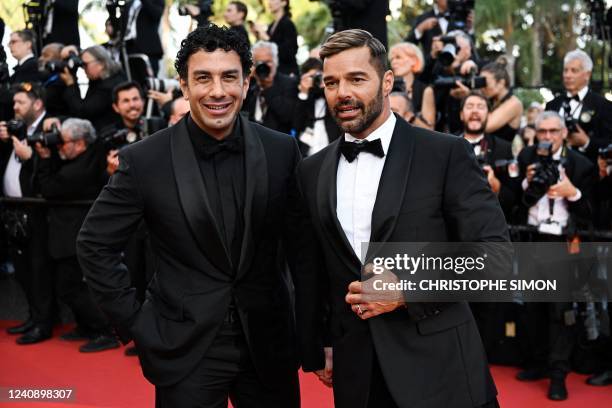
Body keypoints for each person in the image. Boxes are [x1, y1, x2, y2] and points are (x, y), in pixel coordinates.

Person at [77, 24, 304, 407]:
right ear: (183, 86)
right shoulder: (145, 159)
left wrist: (319, 331)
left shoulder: (281, 150)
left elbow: (303, 247)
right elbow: (94, 243)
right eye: (203, 78)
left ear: (246, 84)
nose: (217, 91)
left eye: (229, 77)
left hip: (269, 342)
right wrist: (135, 323)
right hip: (185, 347)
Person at [294, 29, 506, 408]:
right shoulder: (312, 170)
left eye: (356, 79)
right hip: (357, 375)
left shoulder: (445, 154)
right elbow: (314, 270)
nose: (342, 92)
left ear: (387, 81)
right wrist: (320, 343)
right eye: (331, 82)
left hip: (443, 373)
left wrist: (408, 290)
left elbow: (496, 259)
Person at [515, 111, 596, 401]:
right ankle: (537, 363)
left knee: (560, 312)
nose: (547, 137)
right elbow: (512, 203)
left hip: (563, 242)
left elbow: (592, 215)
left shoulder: (581, 164)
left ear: (563, 133)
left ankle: (558, 374)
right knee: (532, 308)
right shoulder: (525, 157)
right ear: (536, 133)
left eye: (553, 131)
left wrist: (572, 193)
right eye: (542, 131)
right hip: (532, 239)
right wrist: (525, 184)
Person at [35, 118, 116, 353]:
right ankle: (86, 326)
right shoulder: (86, 158)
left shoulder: (79, 169)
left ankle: (105, 331)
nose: (59, 145)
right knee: (72, 286)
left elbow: (49, 189)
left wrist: (45, 159)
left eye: (63, 142)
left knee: (70, 286)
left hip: (75, 236)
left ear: (80, 144)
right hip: (72, 234)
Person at [0, 83, 54, 345]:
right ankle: (34, 317)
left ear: (38, 104)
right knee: (23, 270)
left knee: (38, 269)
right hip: (15, 211)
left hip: (38, 211)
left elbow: (53, 168)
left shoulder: (50, 127)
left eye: (20, 103)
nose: (15, 107)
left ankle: (43, 323)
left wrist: (32, 155)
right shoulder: (20, 129)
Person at [545, 50, 612, 164]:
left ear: (587, 75)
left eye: (574, 71)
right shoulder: (552, 105)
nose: (567, 75)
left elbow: (609, 143)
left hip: (588, 171)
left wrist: (586, 142)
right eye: (565, 70)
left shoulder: (603, 105)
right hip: (554, 169)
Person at [60, 45, 126, 131]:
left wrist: (70, 85)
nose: (83, 69)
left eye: (85, 64)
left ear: (101, 64)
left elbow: (82, 113)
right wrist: (74, 51)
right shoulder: (102, 79)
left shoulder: (109, 86)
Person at [242, 41, 297, 134]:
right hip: (251, 138)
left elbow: (288, 117)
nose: (263, 66)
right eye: (258, 62)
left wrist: (268, 88)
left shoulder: (289, 83)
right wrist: (245, 79)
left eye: (267, 62)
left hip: (277, 140)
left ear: (276, 62)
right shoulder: (248, 83)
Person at [293, 57, 341, 157]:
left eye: (318, 76)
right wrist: (304, 93)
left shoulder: (331, 93)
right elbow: (296, 124)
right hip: (308, 154)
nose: (316, 79)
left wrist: (327, 87)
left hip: (332, 150)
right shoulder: (302, 97)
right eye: (311, 77)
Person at [389, 42, 435, 129]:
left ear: (414, 60)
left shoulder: (425, 90)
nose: (393, 62)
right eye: (392, 59)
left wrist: (410, 116)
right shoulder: (387, 88)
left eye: (398, 57)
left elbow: (430, 130)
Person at [480, 60, 523, 143]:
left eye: (485, 82)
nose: (482, 87)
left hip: (501, 155)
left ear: (501, 83)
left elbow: (485, 126)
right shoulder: (491, 100)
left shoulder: (514, 103)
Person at [252, 0, 298, 76]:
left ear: (284, 2)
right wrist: (259, 36)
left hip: (287, 73)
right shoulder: (271, 26)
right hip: (274, 73)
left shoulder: (288, 23)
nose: (270, 2)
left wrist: (266, 38)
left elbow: (289, 52)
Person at [124, 0, 165, 76]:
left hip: (148, 50)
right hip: (129, 49)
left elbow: (156, 14)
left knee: (148, 83)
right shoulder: (130, 3)